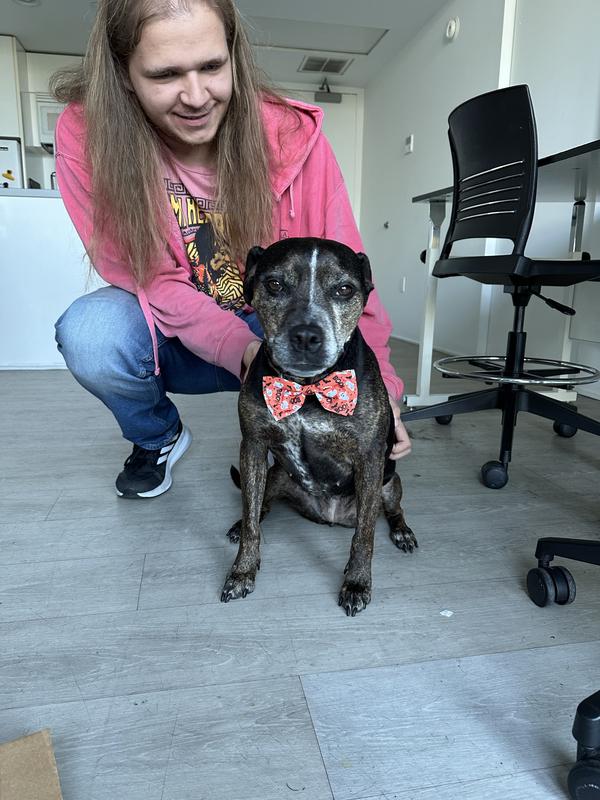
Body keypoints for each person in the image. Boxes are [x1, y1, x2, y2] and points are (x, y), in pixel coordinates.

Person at [52, 0, 411, 499]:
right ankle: (158, 436)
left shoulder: (293, 136)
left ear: (234, 55)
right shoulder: (87, 137)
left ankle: (293, 440)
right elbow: (152, 279)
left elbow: (346, 282)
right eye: (165, 74)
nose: (197, 96)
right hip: (177, 332)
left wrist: (384, 387)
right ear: (123, 75)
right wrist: (239, 348)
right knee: (91, 334)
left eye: (212, 66)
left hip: (280, 326)